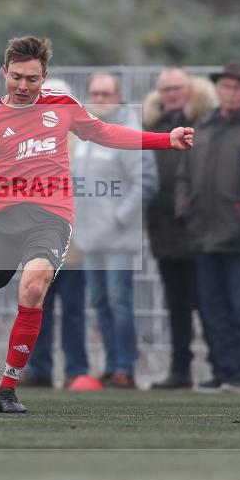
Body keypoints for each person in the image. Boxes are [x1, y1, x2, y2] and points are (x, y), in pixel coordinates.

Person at [0, 36, 193, 413]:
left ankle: (8, 388)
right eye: (17, 78)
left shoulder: (63, 107)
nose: (24, 86)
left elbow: (107, 133)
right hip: (2, 221)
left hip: (51, 218)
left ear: (45, 77)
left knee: (34, 286)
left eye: (33, 79)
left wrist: (163, 139)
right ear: (3, 72)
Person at [174, 63, 240, 393]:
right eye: (225, 87)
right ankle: (221, 372)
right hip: (202, 237)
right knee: (210, 310)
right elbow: (182, 175)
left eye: (237, 88)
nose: (230, 93)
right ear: (217, 90)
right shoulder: (201, 127)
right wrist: (184, 209)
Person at [73, 73, 160, 388]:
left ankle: (125, 367)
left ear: (119, 96)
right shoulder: (85, 133)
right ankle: (111, 365)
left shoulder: (128, 133)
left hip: (118, 239)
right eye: (95, 92)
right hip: (90, 238)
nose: (100, 97)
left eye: (106, 92)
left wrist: (118, 218)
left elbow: (146, 182)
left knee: (118, 301)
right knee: (99, 301)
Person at [143, 68, 215, 389]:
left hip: (198, 230)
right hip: (163, 230)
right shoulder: (153, 127)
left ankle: (220, 368)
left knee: (206, 302)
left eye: (177, 88)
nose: (171, 94)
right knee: (176, 305)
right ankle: (180, 369)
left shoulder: (204, 125)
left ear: (190, 90)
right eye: (165, 89)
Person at [21, 79, 90, 389]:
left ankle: (76, 368)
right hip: (39, 243)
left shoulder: (84, 143)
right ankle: (39, 367)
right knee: (38, 306)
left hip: (75, 245)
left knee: (74, 309)